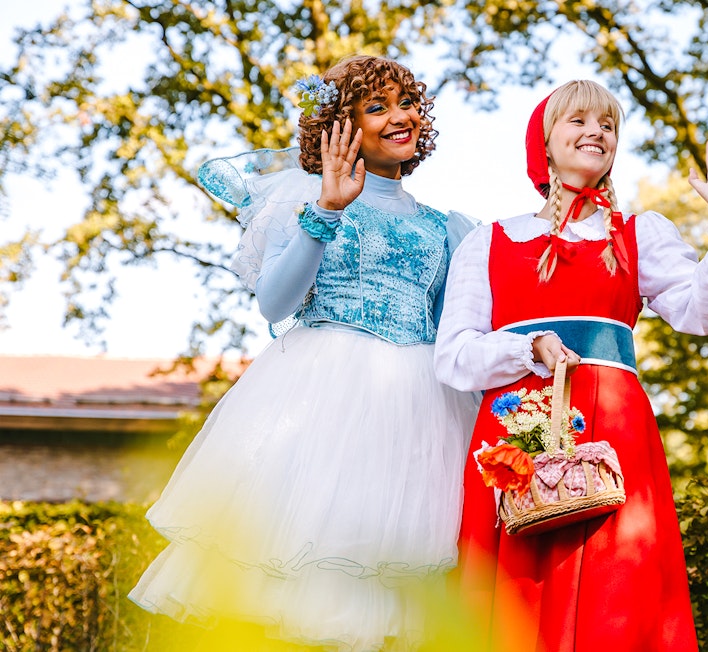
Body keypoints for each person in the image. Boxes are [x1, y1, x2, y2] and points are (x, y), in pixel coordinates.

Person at [129, 55, 478, 650]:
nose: (401, 117)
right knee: (297, 578)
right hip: (320, 395)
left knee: (391, 582)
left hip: (418, 416)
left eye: (407, 103)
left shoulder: (451, 228)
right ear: (341, 127)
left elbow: (456, 334)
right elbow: (273, 303)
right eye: (378, 107)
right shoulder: (304, 198)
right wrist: (327, 213)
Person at [433, 79, 708, 651]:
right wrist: (525, 349)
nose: (596, 132)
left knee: (618, 593)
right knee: (514, 603)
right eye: (578, 121)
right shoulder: (490, 242)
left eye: (607, 125)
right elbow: (453, 356)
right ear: (545, 142)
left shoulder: (638, 235)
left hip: (615, 440)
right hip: (516, 444)